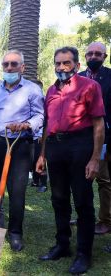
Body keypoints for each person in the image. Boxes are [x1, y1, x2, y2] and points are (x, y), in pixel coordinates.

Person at [37, 47, 105, 274]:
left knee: (83, 202)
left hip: (80, 146)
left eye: (66, 63)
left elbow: (98, 125)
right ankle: (62, 245)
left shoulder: (90, 86)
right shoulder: (51, 90)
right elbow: (47, 125)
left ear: (76, 65)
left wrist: (95, 158)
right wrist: (42, 154)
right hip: (56, 146)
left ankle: (84, 254)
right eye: (58, 63)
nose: (61, 67)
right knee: (59, 199)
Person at [0, 50, 44, 251]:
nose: (9, 68)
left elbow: (40, 117)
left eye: (14, 64)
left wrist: (26, 124)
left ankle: (15, 233)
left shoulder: (32, 90)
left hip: (20, 145)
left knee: (17, 192)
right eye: (6, 64)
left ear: (22, 67)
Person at [79, 42, 111, 235]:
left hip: (105, 137)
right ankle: (85, 215)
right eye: (90, 54)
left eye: (97, 54)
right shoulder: (78, 78)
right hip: (81, 139)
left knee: (104, 180)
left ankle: (106, 220)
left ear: (104, 57)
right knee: (82, 178)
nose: (93, 57)